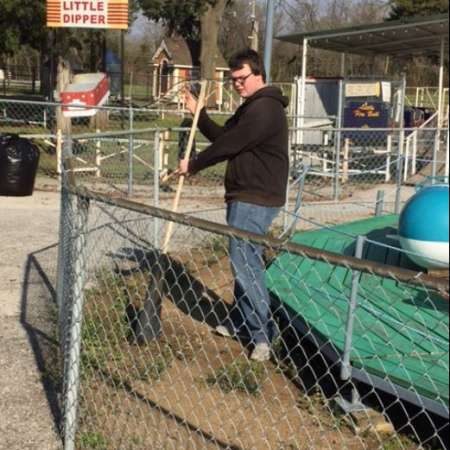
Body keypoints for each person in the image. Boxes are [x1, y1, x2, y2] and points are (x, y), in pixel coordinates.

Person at [177, 49, 289, 362]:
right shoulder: (251, 108)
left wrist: (194, 164)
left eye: (242, 78)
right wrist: (199, 115)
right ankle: (244, 321)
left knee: (246, 265)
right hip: (246, 196)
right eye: (233, 80)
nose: (237, 84)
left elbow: (228, 146)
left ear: (259, 74)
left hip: (255, 198)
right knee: (243, 262)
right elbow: (225, 136)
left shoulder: (265, 109)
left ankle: (262, 335)